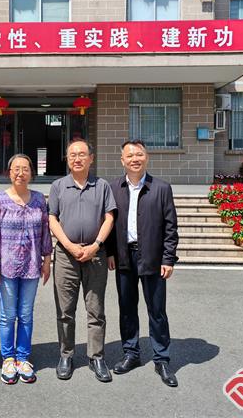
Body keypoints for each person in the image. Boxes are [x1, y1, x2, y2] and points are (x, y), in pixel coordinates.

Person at [106, 139, 179, 387]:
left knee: (156, 310)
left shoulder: (161, 188)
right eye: (130, 155)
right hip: (124, 256)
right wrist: (110, 252)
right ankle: (131, 353)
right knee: (127, 308)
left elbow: (170, 227)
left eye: (139, 154)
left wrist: (168, 258)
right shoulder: (113, 188)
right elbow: (108, 223)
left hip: (153, 257)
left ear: (146, 157)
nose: (134, 159)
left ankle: (162, 359)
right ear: (122, 160)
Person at [48, 139, 116, 382]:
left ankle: (96, 357)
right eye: (72, 155)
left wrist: (96, 245)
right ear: (67, 159)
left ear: (91, 158)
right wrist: (69, 245)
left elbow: (109, 218)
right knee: (65, 310)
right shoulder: (58, 186)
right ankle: (66, 355)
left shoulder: (102, 185)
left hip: (95, 254)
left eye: (82, 154)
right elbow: (52, 218)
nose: (77, 158)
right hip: (66, 256)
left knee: (96, 309)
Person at [0, 154, 53, 385]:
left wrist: (47, 260)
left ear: (31, 173)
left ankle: (23, 358)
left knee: (25, 314)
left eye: (25, 169)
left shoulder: (39, 199)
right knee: (7, 315)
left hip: (32, 266)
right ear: (9, 172)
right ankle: (8, 358)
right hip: (6, 268)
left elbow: (45, 231)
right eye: (16, 169)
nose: (20, 173)